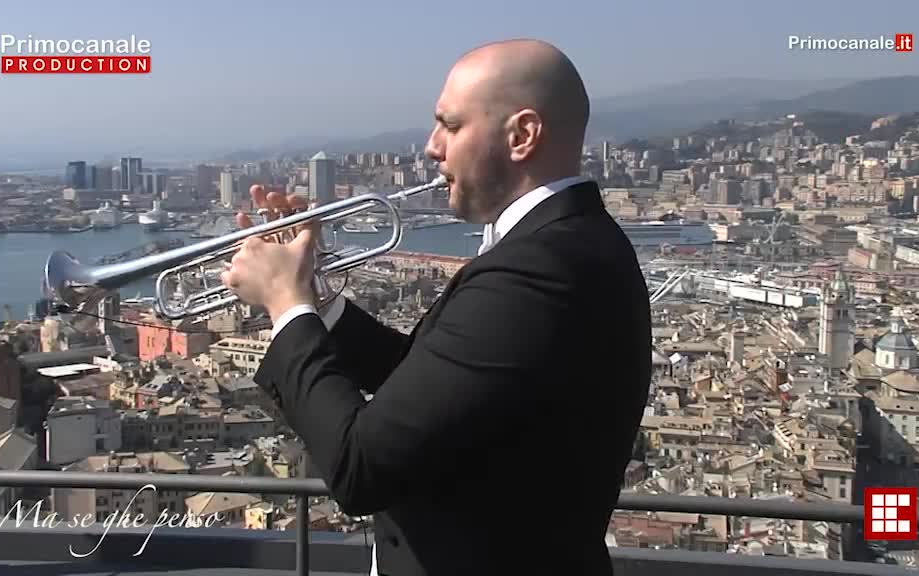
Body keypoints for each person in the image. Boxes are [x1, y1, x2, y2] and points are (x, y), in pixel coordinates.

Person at [221, 38, 652, 576]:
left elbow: (360, 467)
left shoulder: (543, 269)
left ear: (521, 136)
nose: (430, 147)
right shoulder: (559, 247)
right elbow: (429, 387)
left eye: (450, 126)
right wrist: (316, 297)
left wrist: (286, 304)